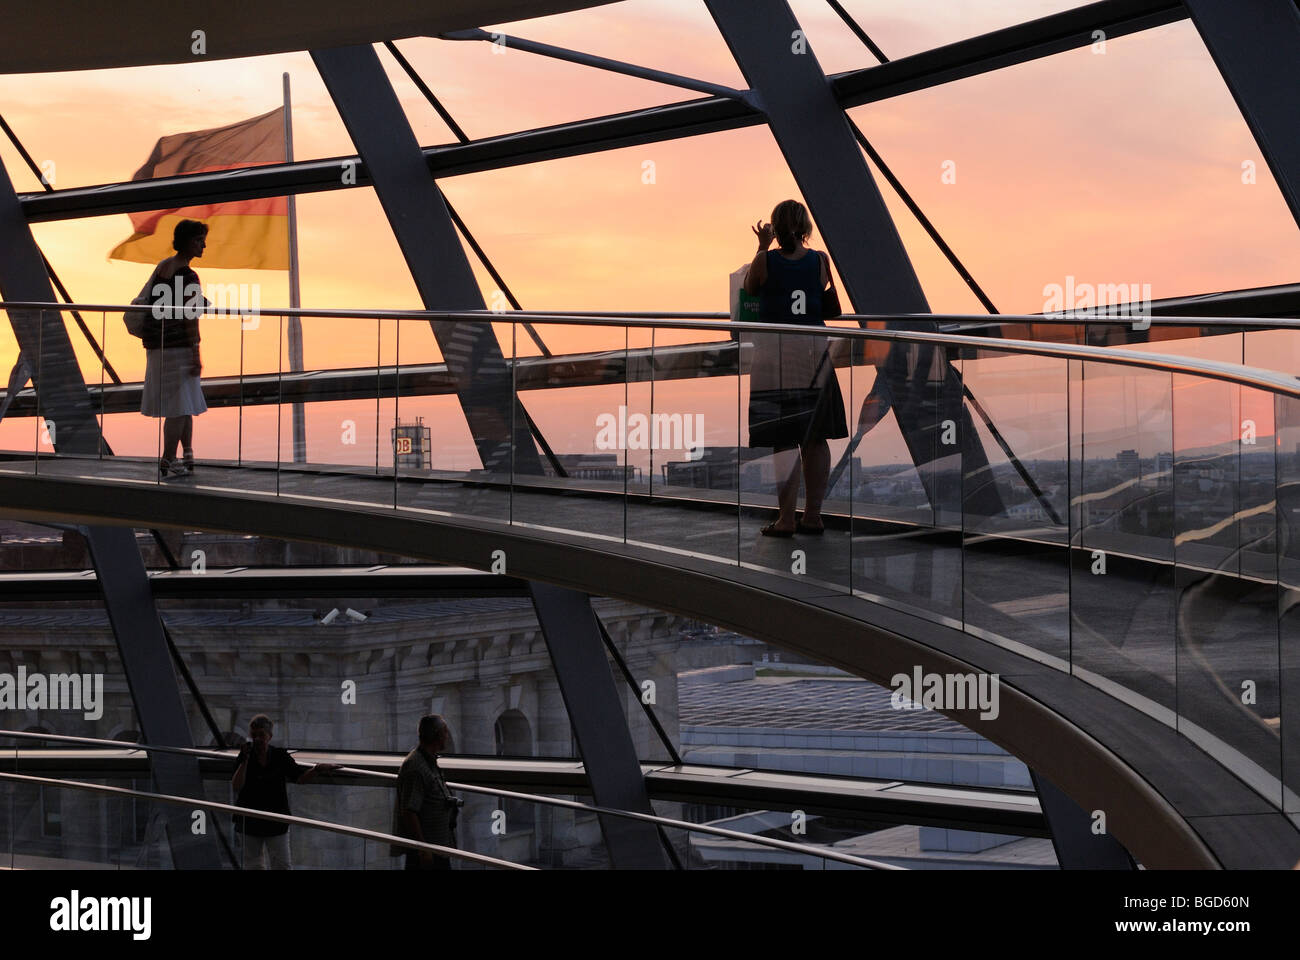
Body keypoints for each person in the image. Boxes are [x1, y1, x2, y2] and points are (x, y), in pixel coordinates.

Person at [742, 199, 848, 536]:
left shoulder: (765, 262)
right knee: (815, 438)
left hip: (775, 360)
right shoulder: (821, 261)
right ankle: (813, 516)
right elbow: (828, 303)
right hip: (815, 357)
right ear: (806, 227)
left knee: (783, 438)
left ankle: (786, 519)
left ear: (774, 226)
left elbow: (748, 291)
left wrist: (762, 245)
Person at [140, 218, 209, 480]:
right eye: (199, 240)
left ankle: (188, 452)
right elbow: (191, 318)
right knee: (179, 407)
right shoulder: (189, 276)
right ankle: (169, 459)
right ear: (187, 242)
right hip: (178, 346)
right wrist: (196, 353)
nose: (204, 245)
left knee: (185, 401)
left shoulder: (164, 267)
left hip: (158, 345)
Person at [231, 714, 339, 869]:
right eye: (254, 735)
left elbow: (299, 777)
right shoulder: (246, 757)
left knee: (280, 864)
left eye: (261, 735)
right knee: (254, 865)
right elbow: (236, 785)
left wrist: (316, 769)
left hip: (270, 820)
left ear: (269, 736)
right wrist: (245, 761)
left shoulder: (280, 756)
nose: (257, 739)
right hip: (252, 821)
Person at [392, 714, 459, 871]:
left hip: (436, 848)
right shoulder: (416, 767)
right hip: (428, 852)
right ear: (437, 735)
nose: (447, 736)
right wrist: (423, 848)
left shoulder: (426, 760)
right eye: (445, 732)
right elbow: (409, 811)